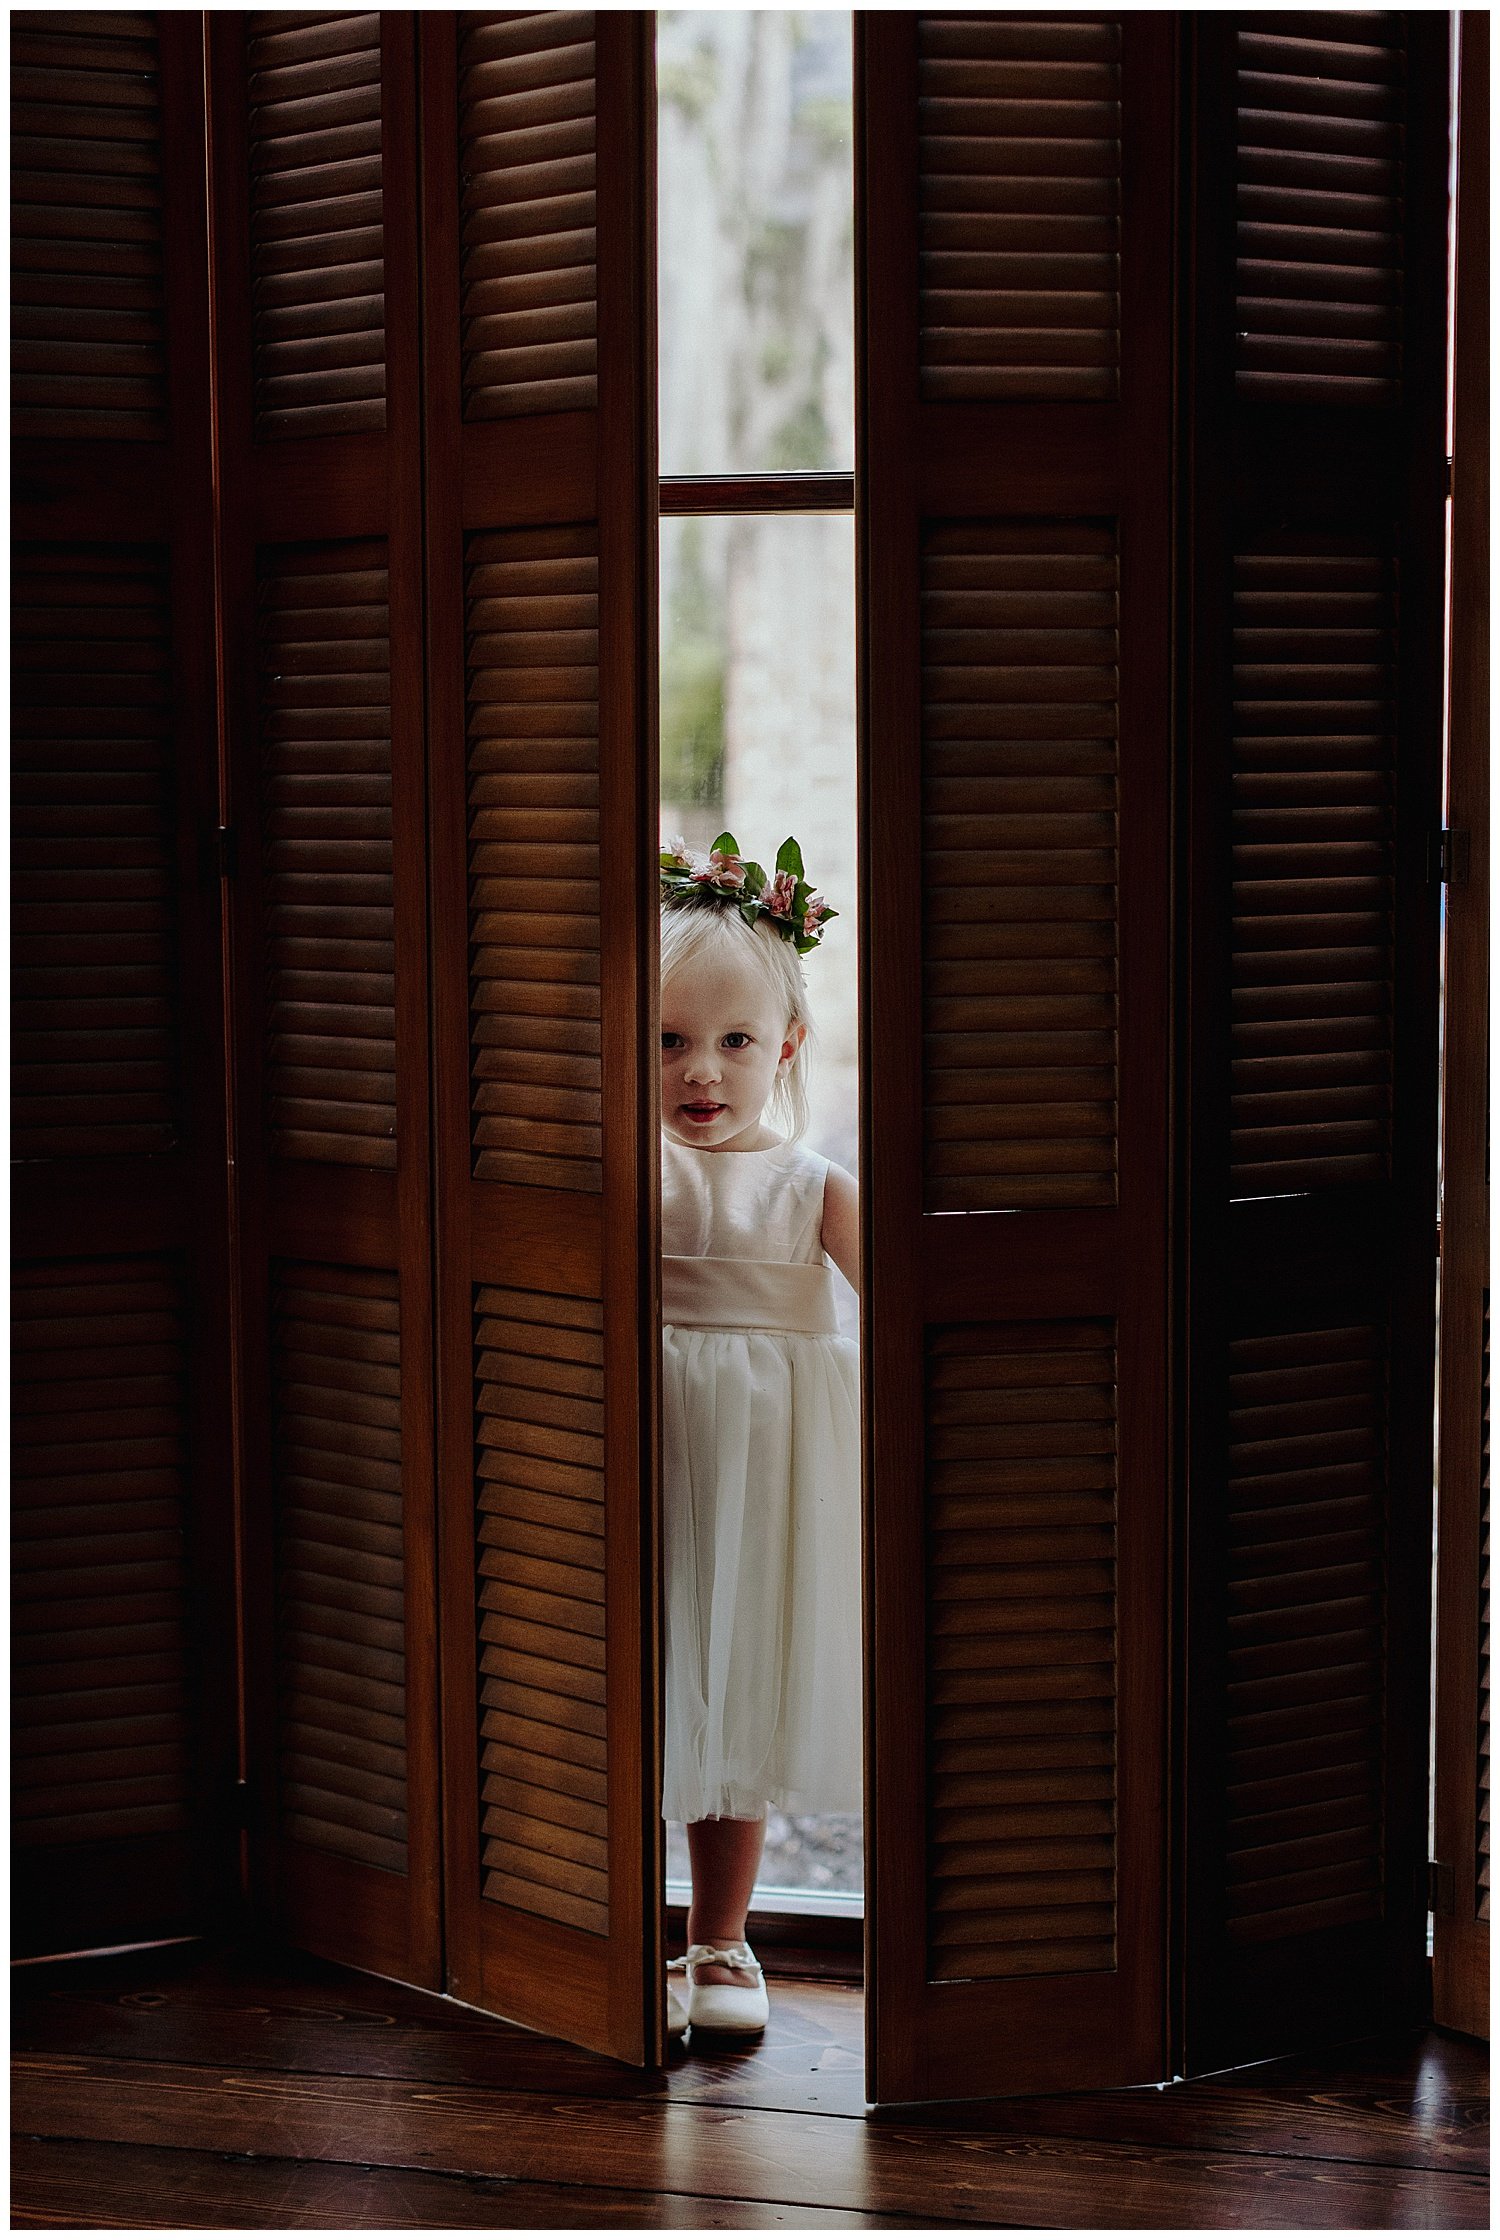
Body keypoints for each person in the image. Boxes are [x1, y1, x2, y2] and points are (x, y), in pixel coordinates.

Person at [656, 833, 862, 2040]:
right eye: (671, 1039)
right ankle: (590, 1929)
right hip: (638, 1453)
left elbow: (919, 1305)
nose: (703, 1071)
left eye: (735, 1041)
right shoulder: (617, 1169)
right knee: (624, 1679)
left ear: (785, 1046)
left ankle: (721, 1938)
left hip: (758, 1471)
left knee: (733, 1690)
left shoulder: (810, 1183)